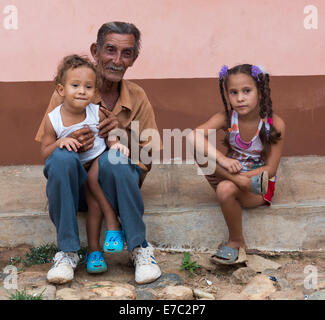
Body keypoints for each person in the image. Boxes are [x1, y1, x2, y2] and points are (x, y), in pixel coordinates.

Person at [35, 22, 162, 284]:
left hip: (116, 189)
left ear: (134, 59)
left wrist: (122, 136)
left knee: (113, 159)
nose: (117, 60)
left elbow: (151, 153)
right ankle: (67, 252)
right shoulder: (68, 91)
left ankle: (140, 248)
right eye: (110, 50)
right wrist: (67, 141)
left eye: (126, 53)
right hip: (77, 189)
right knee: (61, 157)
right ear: (96, 50)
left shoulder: (137, 96)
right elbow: (47, 153)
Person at [41, 54, 130, 279]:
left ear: (94, 91)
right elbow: (45, 151)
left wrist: (116, 144)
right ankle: (70, 251)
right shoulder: (53, 119)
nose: (82, 91)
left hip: (98, 165)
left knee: (95, 203)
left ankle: (94, 252)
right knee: (80, 177)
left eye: (88, 87)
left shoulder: (96, 111)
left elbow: (108, 135)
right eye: (75, 85)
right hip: (75, 176)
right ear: (61, 90)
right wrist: (60, 142)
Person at [189, 64, 285, 264]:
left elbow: (271, 169)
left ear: (260, 91)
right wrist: (224, 160)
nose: (240, 98)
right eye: (233, 92)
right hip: (230, 174)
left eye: (247, 91)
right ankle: (235, 182)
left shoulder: (273, 123)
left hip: (257, 186)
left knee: (225, 188)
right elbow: (193, 135)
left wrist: (243, 180)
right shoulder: (226, 118)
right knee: (196, 148)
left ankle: (236, 242)